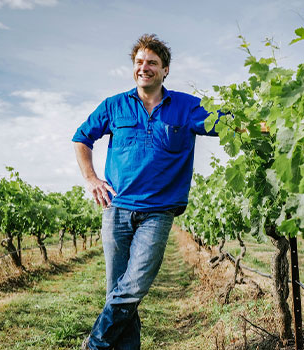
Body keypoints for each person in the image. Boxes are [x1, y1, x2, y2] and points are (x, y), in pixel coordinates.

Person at [72, 34, 218, 350]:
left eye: (152, 62)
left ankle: (94, 345)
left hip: (159, 210)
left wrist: (270, 124)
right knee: (119, 290)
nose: (144, 68)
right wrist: (91, 179)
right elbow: (81, 139)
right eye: (139, 62)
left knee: (134, 285)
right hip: (117, 207)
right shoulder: (114, 105)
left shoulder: (187, 107)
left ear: (165, 70)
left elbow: (230, 124)